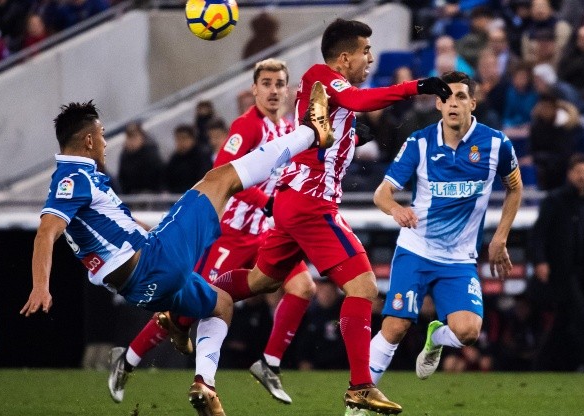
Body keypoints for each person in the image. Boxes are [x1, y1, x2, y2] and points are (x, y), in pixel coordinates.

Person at [20, 93, 333, 416]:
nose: (105, 143)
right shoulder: (72, 179)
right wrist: (40, 285)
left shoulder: (85, 179)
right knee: (220, 179)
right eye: (101, 136)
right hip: (153, 263)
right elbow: (46, 231)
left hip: (141, 289)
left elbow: (119, 226)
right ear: (87, 140)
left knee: (221, 304)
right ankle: (311, 131)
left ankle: (205, 384)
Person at [207, 18, 453, 414]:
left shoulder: (329, 91)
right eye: (365, 52)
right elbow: (357, 102)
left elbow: (335, 128)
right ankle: (360, 386)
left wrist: (355, 138)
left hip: (296, 199)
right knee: (364, 287)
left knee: (260, 280)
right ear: (344, 58)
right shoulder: (322, 76)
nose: (370, 59)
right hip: (310, 202)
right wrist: (417, 86)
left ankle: (191, 296)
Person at [108, 58, 314, 406]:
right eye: (266, 83)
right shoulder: (247, 127)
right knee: (190, 306)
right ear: (254, 89)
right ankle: (127, 359)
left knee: (303, 287)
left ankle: (269, 363)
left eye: (280, 84)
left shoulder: (289, 128)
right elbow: (222, 173)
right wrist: (266, 201)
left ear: (289, 90)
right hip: (230, 233)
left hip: (265, 232)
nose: (274, 90)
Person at [367, 71, 523, 390]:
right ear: (438, 104)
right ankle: (357, 401)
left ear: (472, 104)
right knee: (394, 327)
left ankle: (436, 337)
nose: (453, 103)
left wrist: (500, 236)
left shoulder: (496, 145)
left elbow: (515, 188)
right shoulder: (419, 143)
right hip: (416, 249)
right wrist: (397, 209)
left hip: (459, 259)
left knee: (468, 332)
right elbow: (381, 193)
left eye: (461, 97)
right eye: (447, 98)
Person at [529, 154, 584, 371]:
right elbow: (539, 234)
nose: (583, 177)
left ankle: (540, 366)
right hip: (562, 271)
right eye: (579, 172)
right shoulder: (555, 200)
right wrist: (540, 261)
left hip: (581, 271)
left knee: (561, 323)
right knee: (580, 318)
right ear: (570, 174)